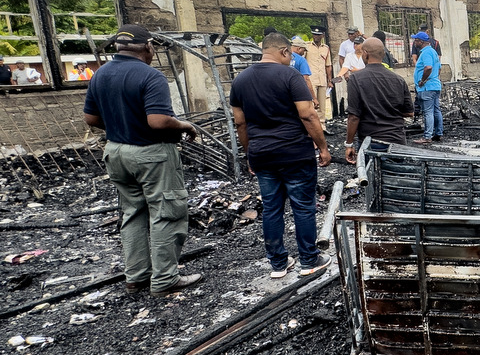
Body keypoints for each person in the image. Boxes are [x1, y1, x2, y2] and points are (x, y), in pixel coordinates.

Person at [81, 24, 202, 297]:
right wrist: (185, 125)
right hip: (151, 154)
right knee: (166, 213)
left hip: (116, 151)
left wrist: (119, 126)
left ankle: (136, 277)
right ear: (148, 47)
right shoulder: (150, 76)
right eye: (153, 47)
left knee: (132, 213)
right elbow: (158, 121)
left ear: (119, 47)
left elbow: (90, 118)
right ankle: (165, 280)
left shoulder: (100, 75)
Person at [231, 33, 331, 279]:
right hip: (294, 152)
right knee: (303, 206)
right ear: (285, 52)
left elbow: (240, 123)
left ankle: (278, 264)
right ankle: (309, 260)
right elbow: (308, 115)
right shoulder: (291, 76)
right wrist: (323, 147)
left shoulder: (240, 80)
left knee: (272, 208)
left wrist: (249, 154)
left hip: (262, 155)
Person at [345, 37, 413, 163]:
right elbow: (409, 112)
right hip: (397, 142)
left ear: (365, 54)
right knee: (397, 179)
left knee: (372, 179)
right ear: (383, 55)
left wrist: (349, 144)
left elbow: (354, 116)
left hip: (371, 142)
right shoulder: (398, 80)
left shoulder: (356, 79)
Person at [411, 31, 443, 144]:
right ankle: (438, 133)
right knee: (436, 110)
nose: (414, 42)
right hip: (434, 85)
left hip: (427, 87)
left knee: (428, 112)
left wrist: (422, 80)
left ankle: (427, 137)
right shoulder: (433, 52)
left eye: (416, 40)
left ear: (421, 41)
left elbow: (428, 67)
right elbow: (439, 68)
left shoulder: (426, 53)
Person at [333, 27, 362, 118]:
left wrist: (356, 70)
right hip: (354, 79)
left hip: (365, 79)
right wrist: (339, 75)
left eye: (358, 44)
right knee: (353, 98)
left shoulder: (366, 55)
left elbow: (369, 67)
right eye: (354, 44)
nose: (355, 46)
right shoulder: (349, 55)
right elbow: (345, 66)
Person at [306, 26, 333, 124]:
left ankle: (322, 126)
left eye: (318, 35)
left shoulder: (325, 48)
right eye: (314, 34)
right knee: (312, 103)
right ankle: (312, 125)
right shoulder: (307, 46)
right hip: (311, 79)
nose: (316, 37)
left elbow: (328, 65)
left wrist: (330, 80)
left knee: (322, 105)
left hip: (322, 79)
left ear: (323, 35)